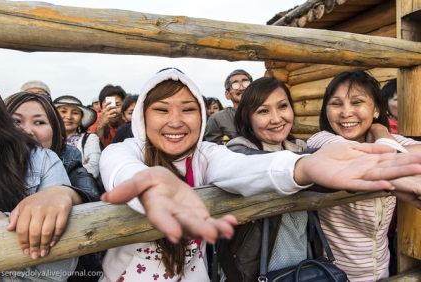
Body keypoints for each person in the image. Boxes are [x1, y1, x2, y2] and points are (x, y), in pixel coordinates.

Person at [99, 68, 421, 282]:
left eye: (187, 109)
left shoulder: (208, 155)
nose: (175, 120)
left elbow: (243, 167)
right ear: (142, 116)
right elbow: (120, 170)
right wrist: (152, 184)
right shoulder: (125, 151)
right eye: (161, 109)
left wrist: (303, 166)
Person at [307, 69, 421, 281]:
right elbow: (389, 159)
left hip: (381, 268)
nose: (345, 112)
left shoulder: (391, 141)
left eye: (356, 102)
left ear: (377, 109)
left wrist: (382, 134)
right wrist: (380, 131)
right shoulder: (321, 141)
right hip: (336, 273)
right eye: (336, 104)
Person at [5, 92, 103, 281]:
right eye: (17, 121)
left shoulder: (68, 155)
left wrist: (62, 192)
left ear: (55, 130)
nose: (28, 131)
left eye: (39, 122)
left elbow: (91, 194)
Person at [222, 76, 313, 281]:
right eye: (263, 111)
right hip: (252, 270)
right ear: (247, 117)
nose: (276, 118)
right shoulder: (237, 151)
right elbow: (267, 164)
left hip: (300, 265)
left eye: (283, 106)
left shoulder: (299, 148)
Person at [53, 95, 101, 178]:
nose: (69, 117)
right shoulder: (46, 138)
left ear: (81, 118)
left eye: (75, 113)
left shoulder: (90, 139)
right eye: (63, 111)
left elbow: (94, 167)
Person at [204, 69, 252, 144]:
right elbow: (213, 149)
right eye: (235, 84)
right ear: (228, 94)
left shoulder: (266, 113)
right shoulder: (217, 119)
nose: (242, 88)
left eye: (246, 83)